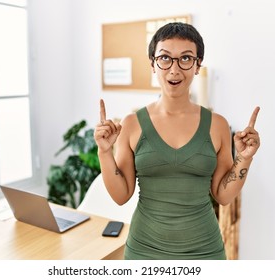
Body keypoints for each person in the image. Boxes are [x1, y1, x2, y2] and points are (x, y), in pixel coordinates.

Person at [94, 22, 260, 260]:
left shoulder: (217, 124)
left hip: (204, 252)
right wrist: (104, 152)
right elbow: (121, 196)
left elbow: (222, 195)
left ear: (197, 65)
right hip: (144, 251)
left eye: (185, 58)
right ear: (153, 64)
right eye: (164, 58)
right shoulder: (132, 123)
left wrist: (244, 158)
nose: (174, 69)